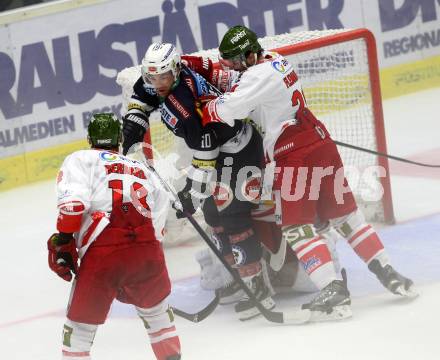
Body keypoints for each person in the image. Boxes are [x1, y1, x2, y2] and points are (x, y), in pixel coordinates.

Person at [200, 25, 416, 320]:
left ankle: (332, 287)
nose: (234, 68)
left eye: (236, 61)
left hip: (295, 152)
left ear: (250, 54)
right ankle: (387, 271)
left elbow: (228, 110)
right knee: (345, 215)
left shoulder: (256, 75)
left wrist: (208, 106)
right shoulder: (277, 59)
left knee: (295, 227)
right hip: (319, 139)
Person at [121, 43, 274, 320]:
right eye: (152, 77)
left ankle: (257, 287)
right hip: (221, 151)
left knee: (233, 214)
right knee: (215, 212)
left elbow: (207, 151)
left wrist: (193, 192)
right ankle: (235, 278)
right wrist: (134, 122)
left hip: (239, 151)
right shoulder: (163, 80)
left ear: (176, 72)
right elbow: (142, 97)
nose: (157, 84)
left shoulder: (185, 103)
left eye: (163, 77)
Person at [47, 113, 181, 360]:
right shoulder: (141, 167)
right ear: (119, 139)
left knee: (79, 331)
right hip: (148, 247)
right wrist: (138, 259)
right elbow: (160, 220)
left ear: (90, 138)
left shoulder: (80, 159)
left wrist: (63, 240)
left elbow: (73, 206)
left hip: (105, 250)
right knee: (158, 317)